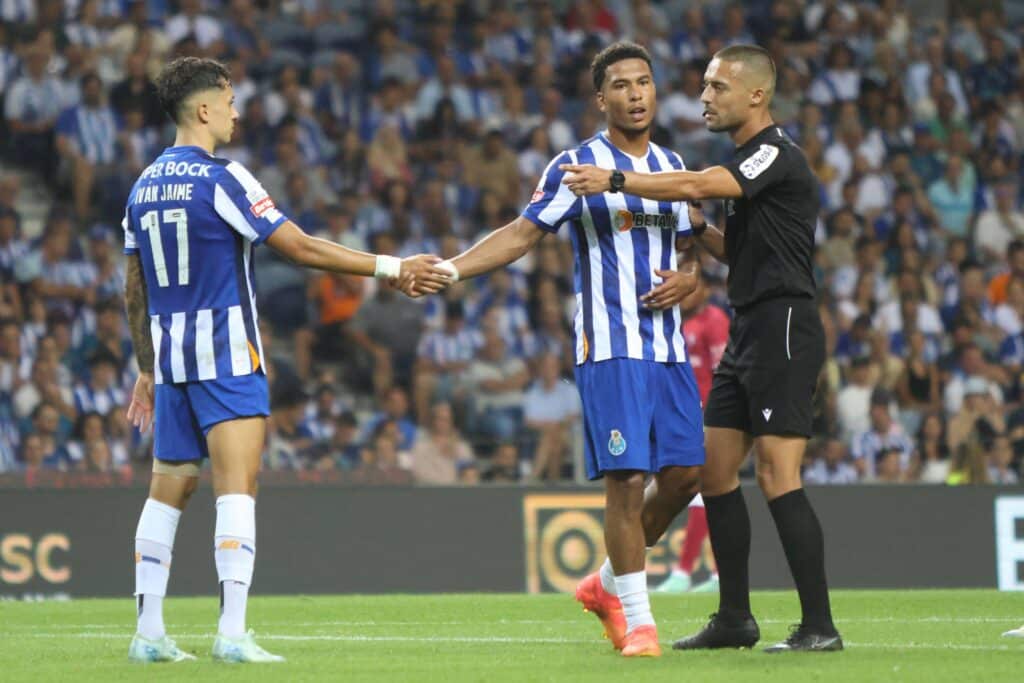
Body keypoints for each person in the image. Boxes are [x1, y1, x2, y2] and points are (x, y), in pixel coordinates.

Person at [123, 57, 448, 664]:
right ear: (203, 109)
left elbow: (134, 282)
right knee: (237, 489)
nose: (237, 112)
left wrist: (147, 365)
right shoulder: (224, 178)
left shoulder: (142, 186)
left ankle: (148, 633)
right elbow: (298, 246)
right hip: (225, 355)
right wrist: (391, 267)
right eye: (229, 100)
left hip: (171, 361)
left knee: (167, 490)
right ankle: (232, 632)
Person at [423, 42, 705, 657]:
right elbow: (522, 234)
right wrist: (454, 269)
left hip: (667, 349)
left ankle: (605, 584)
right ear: (601, 99)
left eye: (644, 83)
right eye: (622, 86)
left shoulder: (670, 165)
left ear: (655, 92)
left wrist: (692, 279)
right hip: (609, 346)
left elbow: (692, 251)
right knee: (628, 481)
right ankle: (640, 624)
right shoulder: (575, 166)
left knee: (686, 476)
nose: (635, 94)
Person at [560, 44, 842, 652]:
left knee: (776, 474)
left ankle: (819, 626)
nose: (704, 97)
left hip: (784, 326)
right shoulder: (747, 160)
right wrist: (696, 241)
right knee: (709, 472)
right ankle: (734, 618)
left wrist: (615, 178)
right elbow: (733, 251)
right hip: (748, 326)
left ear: (756, 95)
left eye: (717, 88)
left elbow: (693, 182)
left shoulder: (773, 152)